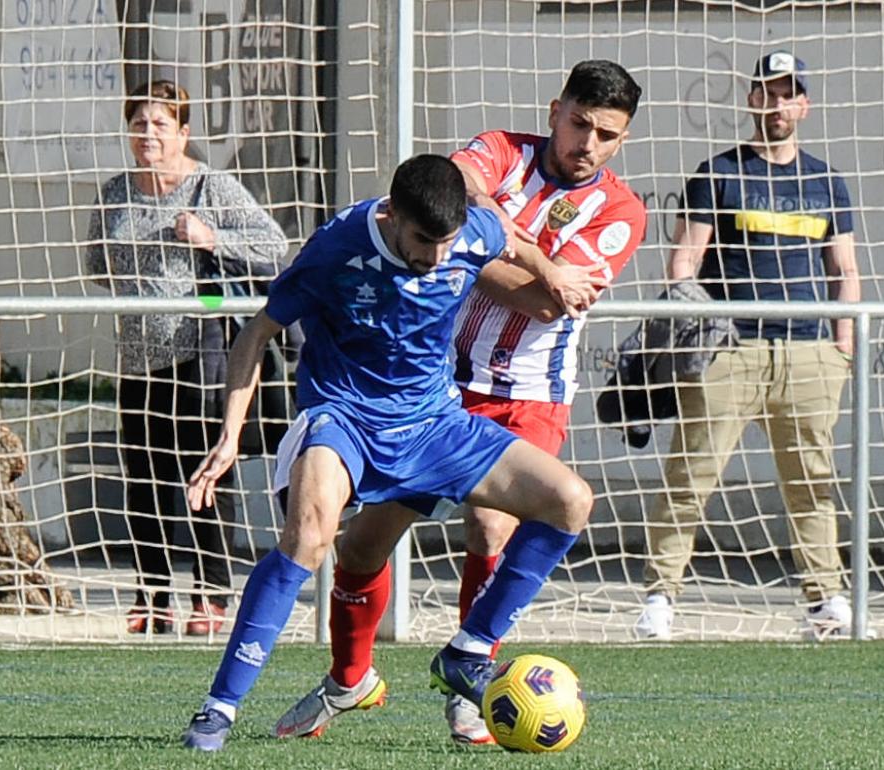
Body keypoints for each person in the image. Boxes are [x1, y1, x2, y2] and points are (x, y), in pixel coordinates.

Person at [272, 59, 646, 745]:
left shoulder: (621, 212)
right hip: (437, 387)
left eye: (608, 135)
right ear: (556, 108)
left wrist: (476, 247)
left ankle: (470, 674)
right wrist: (504, 253)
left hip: (530, 394)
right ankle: (348, 680)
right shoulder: (503, 149)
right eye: (580, 124)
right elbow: (450, 186)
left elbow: (542, 305)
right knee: (360, 548)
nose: (588, 143)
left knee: (491, 528)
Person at [179, 154, 603, 752]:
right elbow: (257, 332)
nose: (436, 257)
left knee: (570, 501)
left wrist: (551, 272)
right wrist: (228, 437)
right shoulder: (337, 247)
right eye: (424, 241)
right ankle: (218, 710)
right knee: (309, 537)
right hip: (343, 417)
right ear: (393, 214)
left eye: (447, 242)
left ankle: (468, 652)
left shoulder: (470, 232)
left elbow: (502, 231)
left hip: (433, 424)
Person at [635, 51, 861, 641]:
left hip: (810, 353)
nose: (778, 103)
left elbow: (844, 270)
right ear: (751, 99)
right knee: (690, 476)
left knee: (812, 481)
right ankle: (661, 596)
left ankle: (825, 597)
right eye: (767, 91)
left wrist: (843, 348)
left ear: (804, 104)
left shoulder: (825, 180)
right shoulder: (718, 173)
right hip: (730, 351)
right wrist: (689, 326)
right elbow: (684, 261)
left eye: (789, 93)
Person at [85, 80, 289, 636]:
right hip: (137, 358)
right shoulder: (114, 193)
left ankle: (210, 595)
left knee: (202, 477)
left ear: (183, 132)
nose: (147, 134)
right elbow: (96, 263)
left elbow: (274, 246)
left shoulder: (210, 188)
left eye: (159, 123)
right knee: (145, 481)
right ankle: (150, 596)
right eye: (139, 123)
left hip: (199, 356)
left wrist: (210, 238)